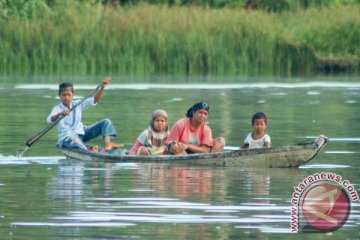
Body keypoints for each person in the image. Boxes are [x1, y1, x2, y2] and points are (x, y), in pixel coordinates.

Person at [47, 77, 123, 152]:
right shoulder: (57, 109)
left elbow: (95, 100)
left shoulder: (77, 104)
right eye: (63, 95)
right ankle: (89, 149)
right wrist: (60, 114)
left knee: (106, 122)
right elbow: (50, 119)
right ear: (59, 95)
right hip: (67, 138)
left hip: (81, 133)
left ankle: (108, 144)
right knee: (76, 142)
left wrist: (102, 88)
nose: (66, 97)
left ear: (73, 95)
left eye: (69, 95)